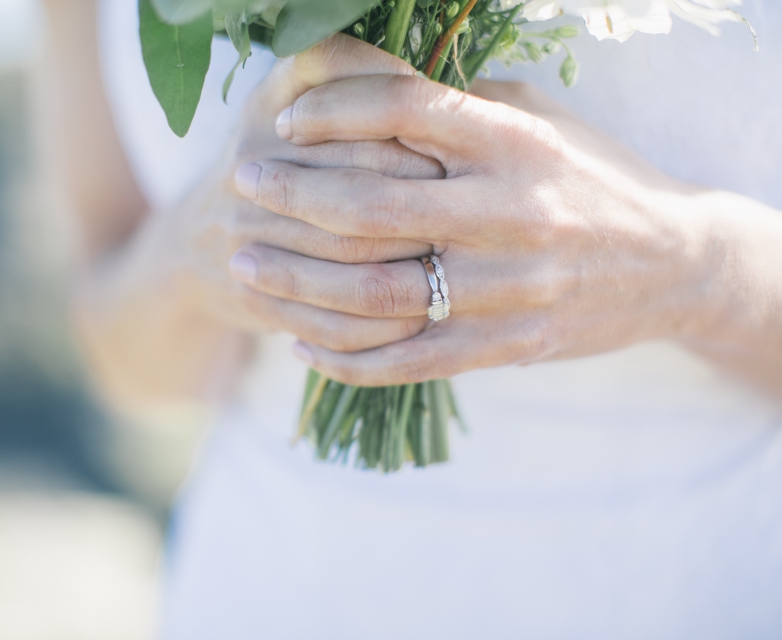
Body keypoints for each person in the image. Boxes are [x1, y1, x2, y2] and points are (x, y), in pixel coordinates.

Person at [44, 0, 782, 637]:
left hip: (691, 594)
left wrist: (691, 268)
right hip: (267, 589)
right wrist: (202, 251)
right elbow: (121, 357)